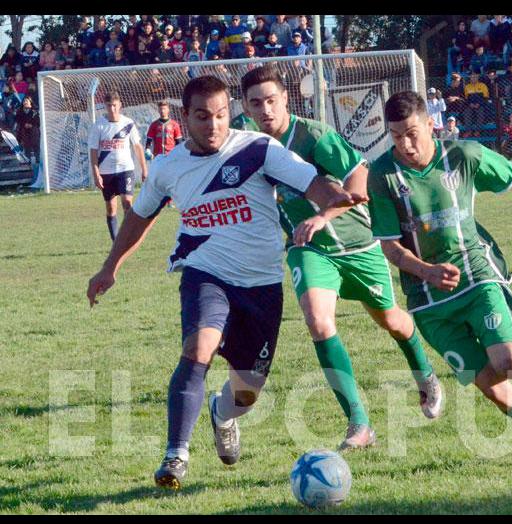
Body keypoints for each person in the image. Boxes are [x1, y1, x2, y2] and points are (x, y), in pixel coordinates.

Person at [86, 75, 364, 490]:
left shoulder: (257, 149)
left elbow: (312, 183)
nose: (213, 125)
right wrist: (110, 267)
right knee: (198, 347)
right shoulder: (166, 168)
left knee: (247, 390)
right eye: (202, 117)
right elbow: (140, 216)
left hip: (262, 283)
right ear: (185, 117)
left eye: (219, 115)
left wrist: (333, 199)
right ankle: (175, 454)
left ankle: (223, 414)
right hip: (205, 273)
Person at [367, 90, 512, 464]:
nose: (405, 144)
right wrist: (427, 272)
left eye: (412, 133)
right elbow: (390, 247)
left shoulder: (463, 156)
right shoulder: (383, 174)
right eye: (395, 135)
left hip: (476, 277)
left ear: (431, 125)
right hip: (429, 303)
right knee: (495, 389)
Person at [237, 66, 442, 449]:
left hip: (357, 243)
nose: (264, 109)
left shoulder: (313, 135)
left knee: (393, 322)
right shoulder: (247, 143)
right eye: (255, 103)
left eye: (271, 100)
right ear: (245, 107)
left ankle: (425, 372)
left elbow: (360, 179)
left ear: (286, 98)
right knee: (318, 321)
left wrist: (322, 215)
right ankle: (359, 424)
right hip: (308, 249)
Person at [87, 91, 148, 241]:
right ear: (105, 107)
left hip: (125, 170)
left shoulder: (128, 123)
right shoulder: (99, 125)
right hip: (106, 172)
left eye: (114, 105)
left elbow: (137, 146)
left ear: (120, 105)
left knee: (127, 204)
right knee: (111, 208)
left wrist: (144, 169)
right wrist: (96, 173)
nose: (112, 109)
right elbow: (93, 151)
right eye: (109, 106)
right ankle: (116, 241)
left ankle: (127, 238)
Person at [13, 96, 39, 161]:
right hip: (24, 131)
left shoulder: (35, 111)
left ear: (30, 102)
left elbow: (38, 120)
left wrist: (32, 124)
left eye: (27, 101)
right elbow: (17, 119)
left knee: (35, 145)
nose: (25, 102)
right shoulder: (19, 111)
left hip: (33, 131)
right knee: (27, 146)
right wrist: (24, 124)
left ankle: (38, 158)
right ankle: (28, 160)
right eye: (24, 101)